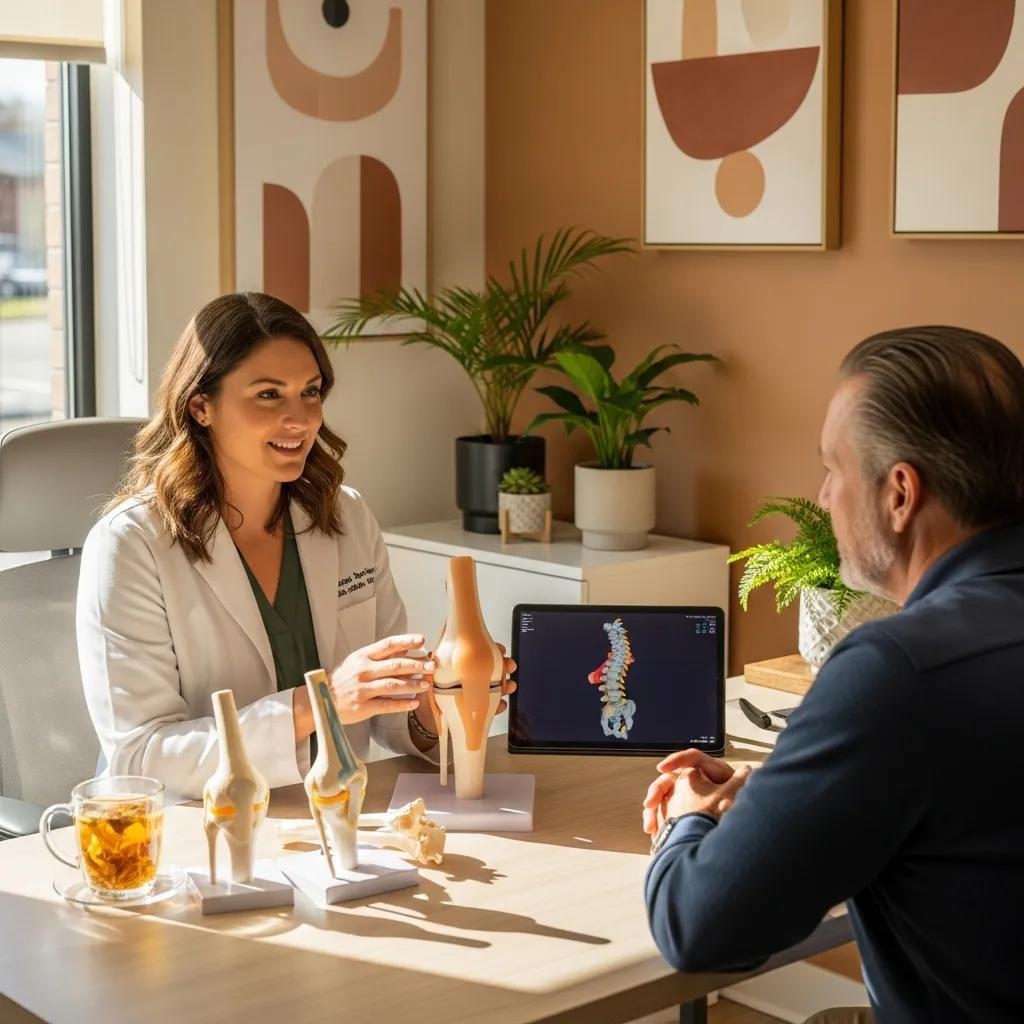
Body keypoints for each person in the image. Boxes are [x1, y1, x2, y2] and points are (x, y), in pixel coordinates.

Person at [642, 326, 1024, 1023]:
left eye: (833, 469)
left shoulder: (900, 669)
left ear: (900, 494)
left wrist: (686, 820)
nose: (822, 498)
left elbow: (699, 928)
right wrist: (786, 799)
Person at [78, 292, 513, 799]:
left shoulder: (346, 516)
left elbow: (390, 717)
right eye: (268, 394)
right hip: (200, 824)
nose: (301, 418)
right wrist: (322, 702)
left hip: (338, 813)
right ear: (201, 406)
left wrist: (437, 708)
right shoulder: (131, 544)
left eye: (310, 392)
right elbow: (141, 755)